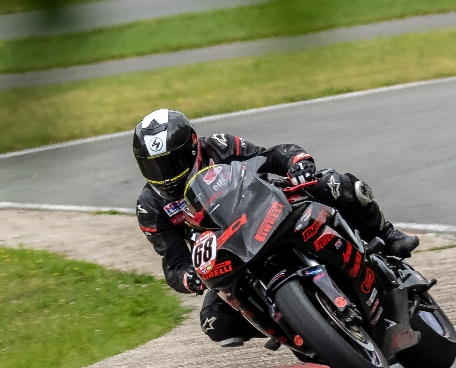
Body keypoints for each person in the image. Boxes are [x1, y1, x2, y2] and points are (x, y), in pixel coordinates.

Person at [132, 108, 419, 347]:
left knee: (337, 186)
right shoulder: (150, 207)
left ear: (193, 146)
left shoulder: (219, 146)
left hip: (268, 210)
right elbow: (175, 262)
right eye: (154, 167)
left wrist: (297, 163)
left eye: (172, 163)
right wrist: (188, 278)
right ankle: (297, 324)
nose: (166, 176)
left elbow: (269, 156)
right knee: (216, 323)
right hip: (229, 254)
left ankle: (387, 234)